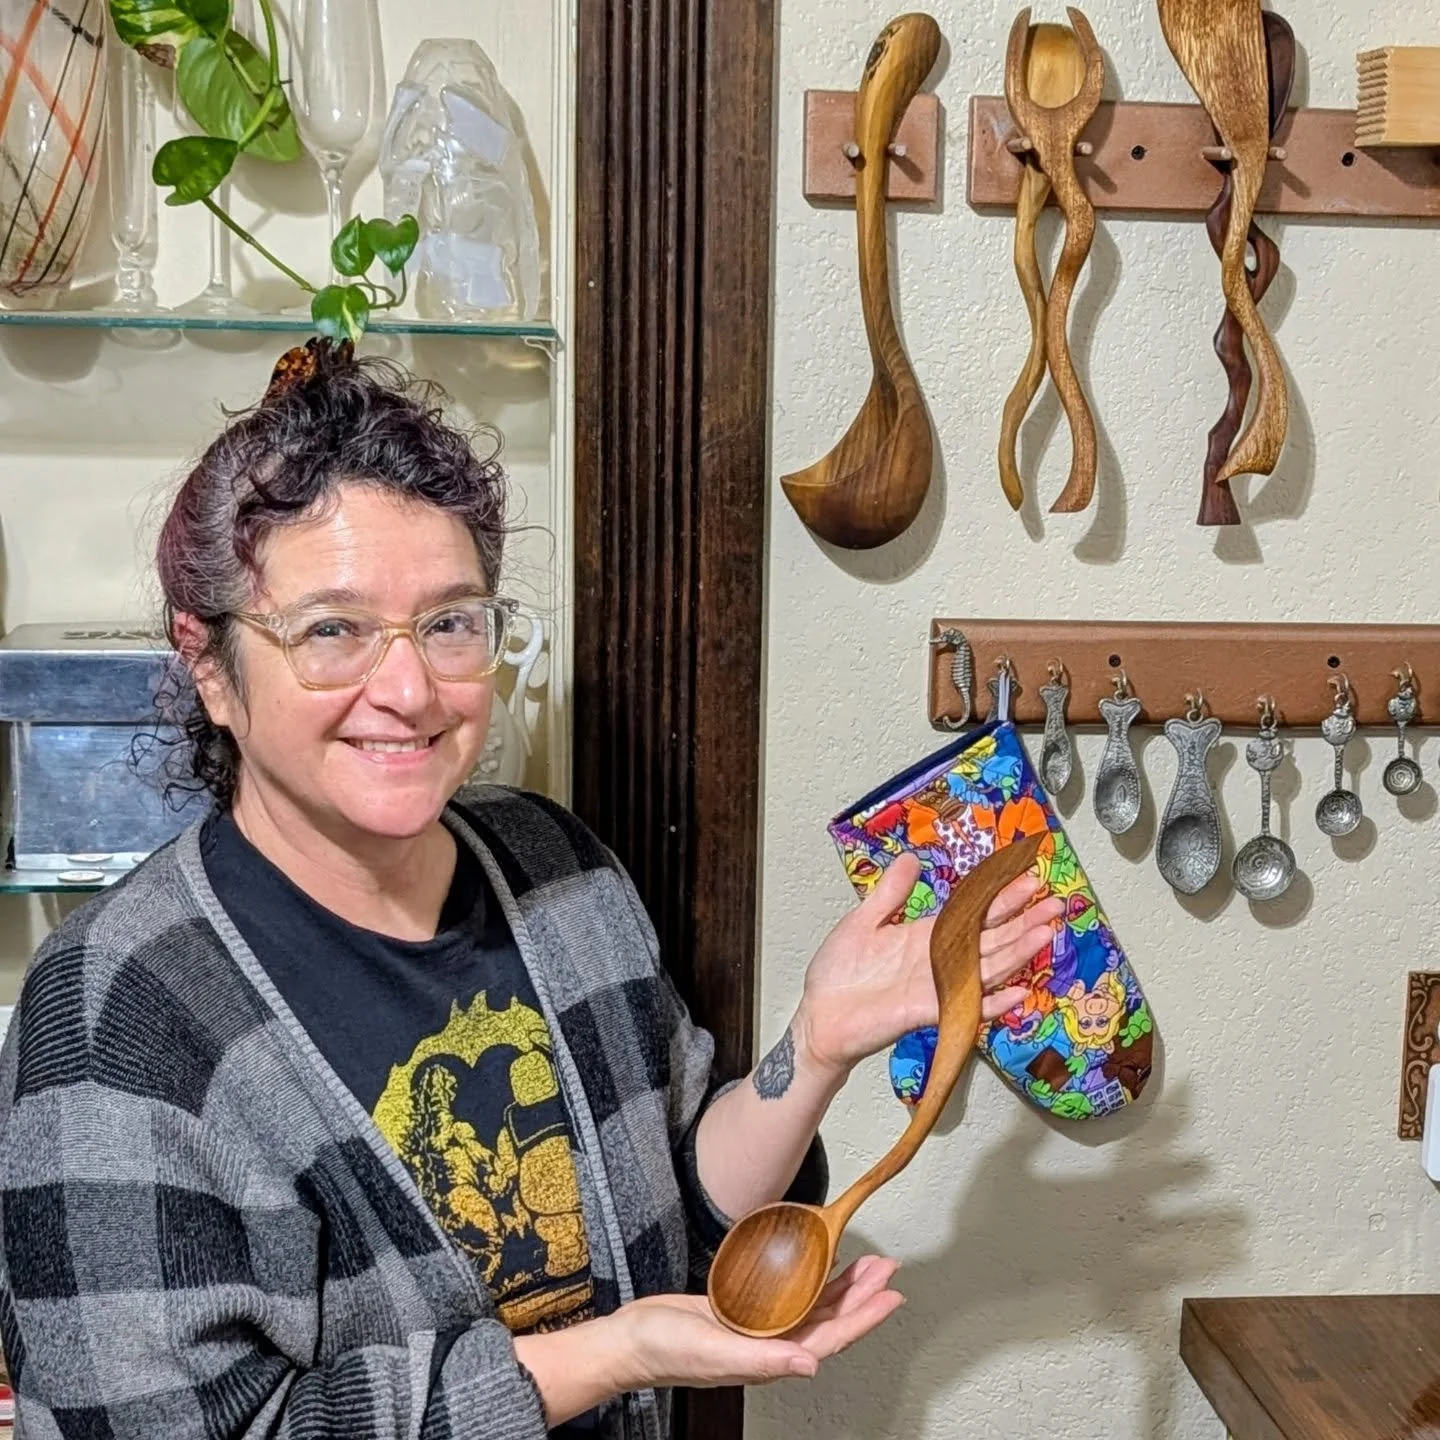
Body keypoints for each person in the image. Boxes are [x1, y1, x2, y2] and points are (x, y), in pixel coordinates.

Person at [0, 342, 1061, 1438]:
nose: (408, 689)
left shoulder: (551, 868)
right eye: (333, 631)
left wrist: (820, 1048)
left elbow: (686, 1222)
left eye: (452, 622)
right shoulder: (116, 1013)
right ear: (210, 666)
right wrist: (611, 1357)